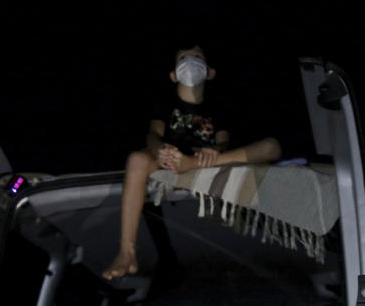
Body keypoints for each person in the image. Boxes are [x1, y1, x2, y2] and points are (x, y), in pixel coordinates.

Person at [102, 45, 281, 280]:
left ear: (209, 72)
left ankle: (191, 164)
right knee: (136, 159)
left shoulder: (219, 106)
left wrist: (209, 154)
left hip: (200, 158)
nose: (190, 61)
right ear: (174, 75)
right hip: (169, 156)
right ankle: (127, 253)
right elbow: (153, 135)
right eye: (182, 58)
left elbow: (223, 145)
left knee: (271, 147)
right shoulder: (164, 101)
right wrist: (159, 148)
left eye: (197, 57)